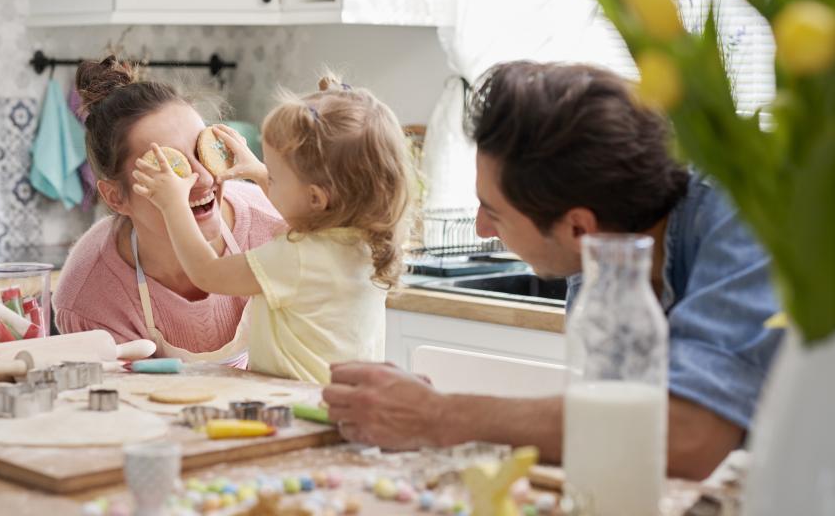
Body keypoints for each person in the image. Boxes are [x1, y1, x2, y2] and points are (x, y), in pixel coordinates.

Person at [323, 61, 781, 480]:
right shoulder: (600, 257)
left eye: (493, 211)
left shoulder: (750, 216)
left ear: (579, 227)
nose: (481, 229)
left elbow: (687, 438)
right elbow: (615, 434)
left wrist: (437, 415)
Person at [131, 77, 413, 384]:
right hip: (346, 403)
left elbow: (206, 271)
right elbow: (303, 210)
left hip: (302, 408)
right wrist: (256, 170)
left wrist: (173, 205)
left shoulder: (296, 259)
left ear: (316, 197)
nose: (265, 179)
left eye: (274, 177)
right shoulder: (363, 241)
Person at [52, 56, 285, 364]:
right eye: (168, 168)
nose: (204, 178)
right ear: (115, 197)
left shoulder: (276, 225)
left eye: (204, 151)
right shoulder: (89, 295)